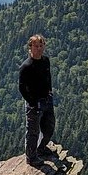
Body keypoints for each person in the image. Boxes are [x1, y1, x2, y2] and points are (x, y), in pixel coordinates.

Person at [18, 34, 56, 167]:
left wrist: (50, 91)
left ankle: (41, 149)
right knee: (33, 132)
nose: (39, 48)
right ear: (30, 47)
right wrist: (32, 102)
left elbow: (48, 76)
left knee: (49, 127)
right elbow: (22, 88)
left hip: (47, 99)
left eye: (41, 45)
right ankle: (31, 157)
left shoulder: (45, 61)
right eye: (36, 46)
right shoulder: (26, 66)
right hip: (34, 103)